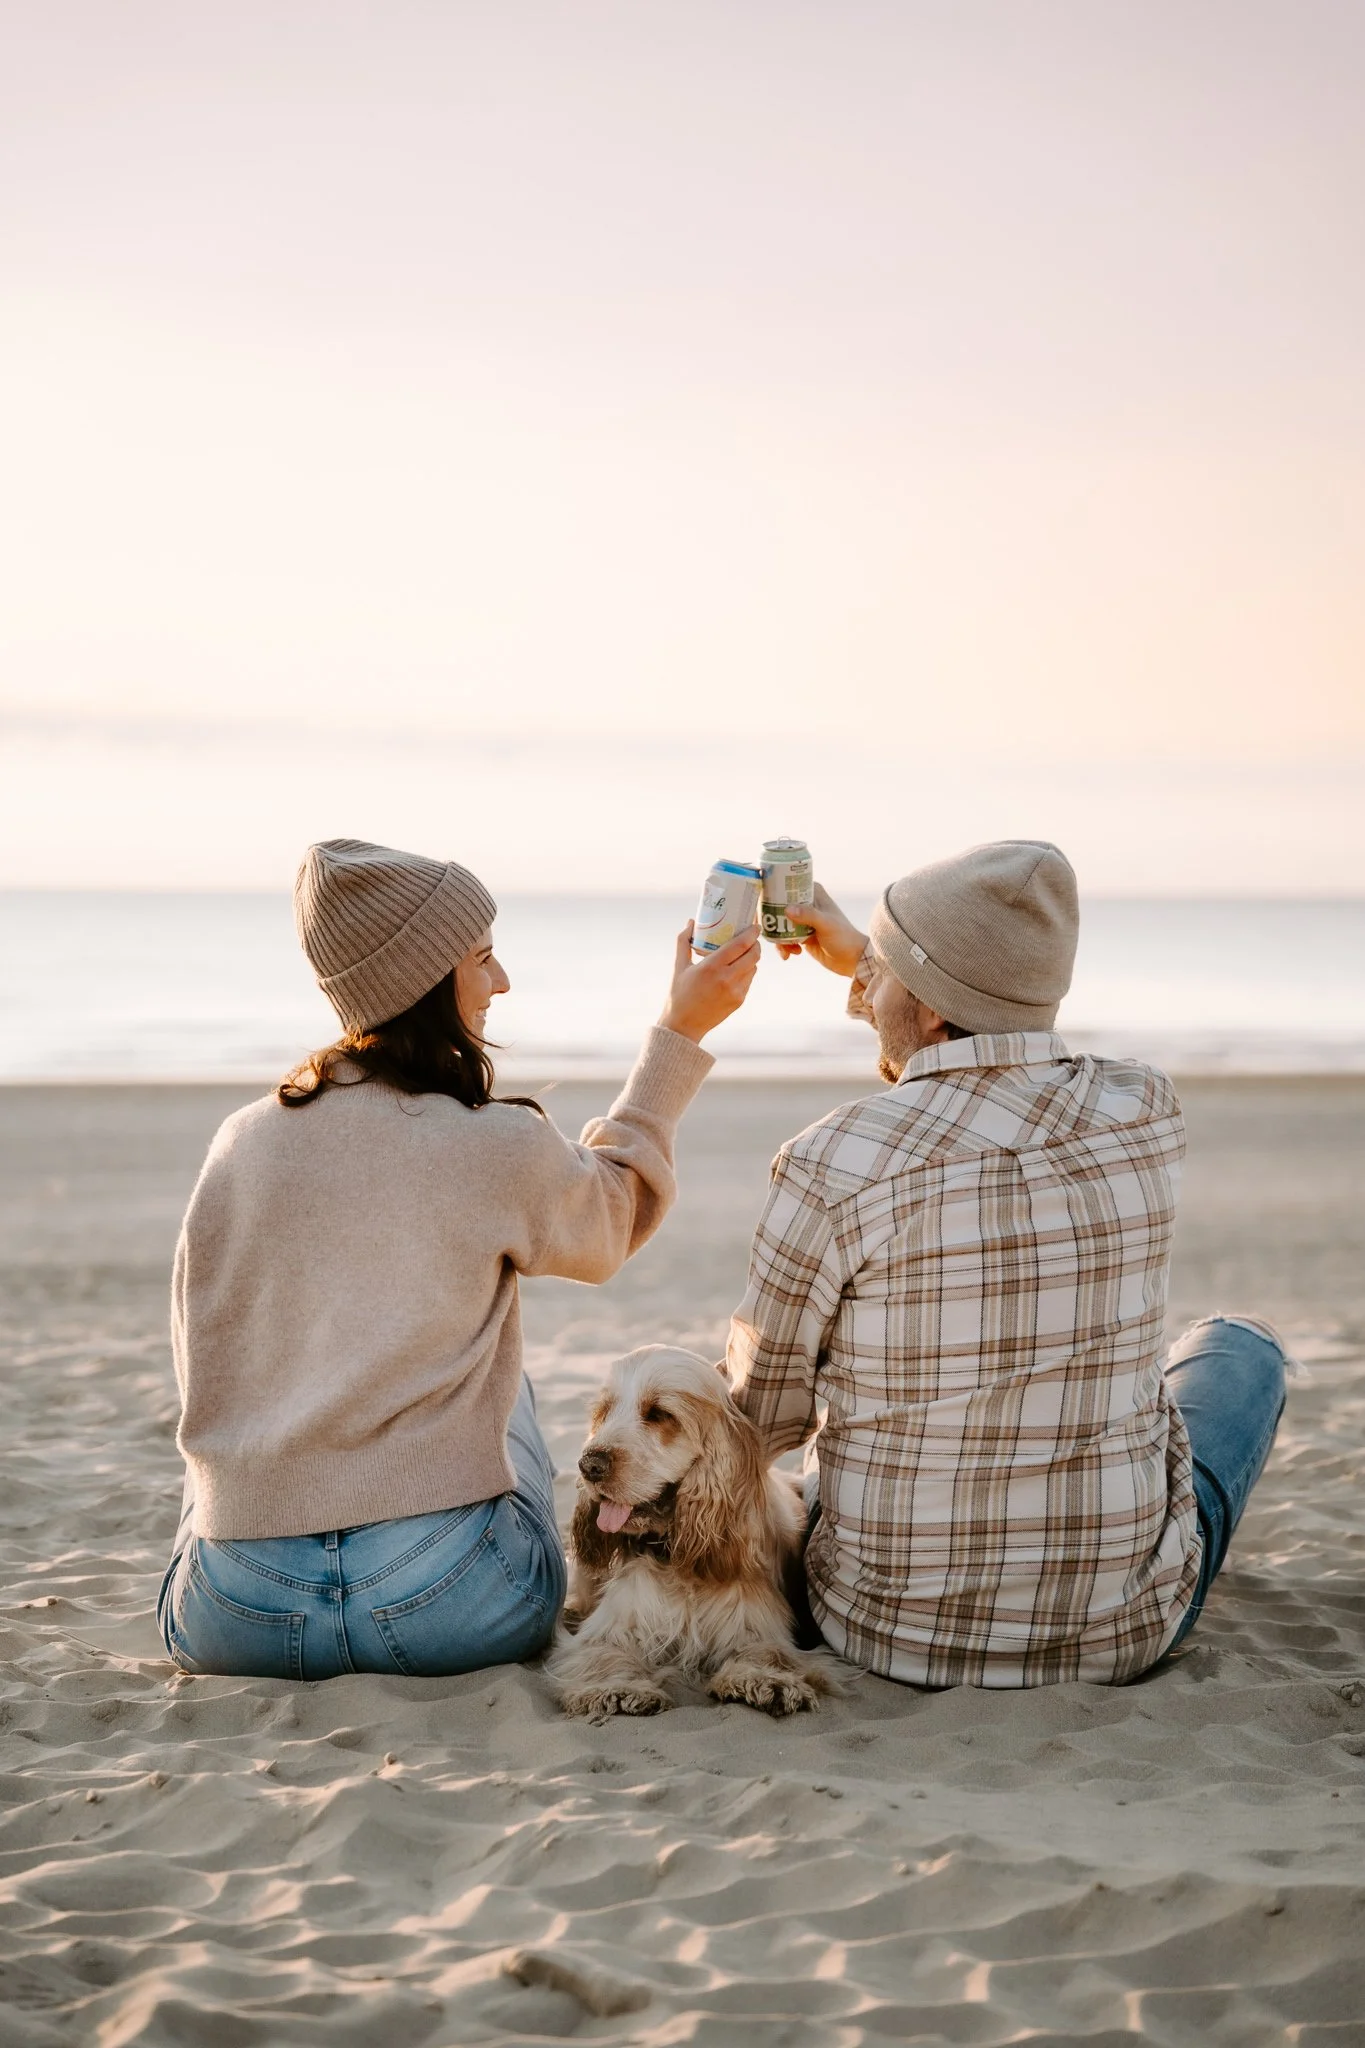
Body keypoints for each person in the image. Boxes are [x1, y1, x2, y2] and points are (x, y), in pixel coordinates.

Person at [158, 837, 758, 1680]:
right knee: (505, 1383)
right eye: (481, 959)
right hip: (445, 1607)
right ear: (427, 979)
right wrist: (679, 1030)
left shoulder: (239, 1144)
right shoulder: (493, 1144)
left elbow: (202, 1366)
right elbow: (612, 1214)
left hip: (239, 1621)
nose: (500, 981)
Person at [725, 840, 1287, 1687]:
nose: (863, 988)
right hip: (1122, 1626)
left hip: (882, 1628)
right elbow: (984, 1036)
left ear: (927, 1012)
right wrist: (883, 965)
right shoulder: (1145, 1110)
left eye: (875, 975)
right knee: (1242, 1348)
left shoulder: (831, 1161)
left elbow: (760, 1423)